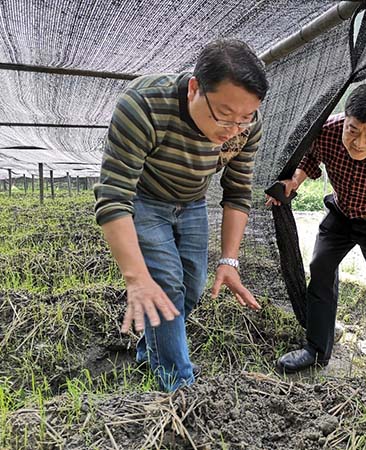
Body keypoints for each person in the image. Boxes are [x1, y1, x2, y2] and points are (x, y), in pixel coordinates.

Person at [93, 39, 269, 392]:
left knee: (192, 286)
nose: (233, 128)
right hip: (144, 199)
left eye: (245, 117)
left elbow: (237, 193)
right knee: (166, 285)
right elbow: (113, 198)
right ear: (194, 89)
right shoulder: (143, 104)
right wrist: (137, 278)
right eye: (223, 114)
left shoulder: (245, 125)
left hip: (192, 202)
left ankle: (150, 350)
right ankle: (180, 388)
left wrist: (229, 261)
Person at [269, 83, 366, 374]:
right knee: (320, 269)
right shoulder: (328, 129)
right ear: (346, 118)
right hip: (341, 215)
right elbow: (310, 156)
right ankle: (316, 350)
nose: (359, 143)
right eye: (353, 130)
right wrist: (295, 180)